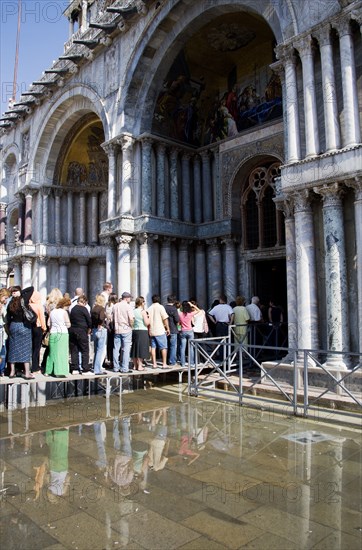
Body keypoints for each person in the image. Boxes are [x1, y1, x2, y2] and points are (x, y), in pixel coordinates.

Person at [7, 285, 36, 380]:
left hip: (13, 326)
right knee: (26, 349)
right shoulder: (23, 299)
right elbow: (31, 288)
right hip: (24, 326)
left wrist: (14, 293)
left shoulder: (10, 302)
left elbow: (8, 318)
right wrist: (20, 292)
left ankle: (12, 372)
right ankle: (27, 373)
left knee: (13, 349)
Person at [45, 297, 71, 377]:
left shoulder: (52, 312)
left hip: (53, 333)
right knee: (62, 353)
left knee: (52, 352)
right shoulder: (64, 312)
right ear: (65, 305)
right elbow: (68, 324)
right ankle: (59, 371)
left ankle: (48, 371)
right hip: (62, 333)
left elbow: (49, 323)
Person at [69, 295, 92, 374]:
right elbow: (89, 320)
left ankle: (75, 368)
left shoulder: (73, 309)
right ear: (84, 302)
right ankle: (85, 368)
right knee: (85, 350)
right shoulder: (84, 309)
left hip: (72, 330)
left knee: (74, 349)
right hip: (82, 331)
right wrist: (89, 328)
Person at [112, 292, 134, 374]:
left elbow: (111, 317)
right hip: (126, 329)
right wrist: (131, 326)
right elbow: (131, 319)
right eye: (129, 298)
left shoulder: (115, 306)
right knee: (126, 349)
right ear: (127, 298)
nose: (130, 299)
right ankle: (125, 368)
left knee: (116, 348)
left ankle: (115, 367)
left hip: (117, 329)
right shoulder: (128, 306)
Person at [147, 295, 170, 369]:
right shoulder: (160, 307)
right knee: (163, 347)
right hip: (160, 330)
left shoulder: (149, 308)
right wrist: (168, 328)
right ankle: (164, 364)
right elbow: (165, 318)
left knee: (153, 347)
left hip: (152, 330)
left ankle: (154, 364)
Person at [29, 290, 47, 374]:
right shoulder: (39, 306)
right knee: (37, 348)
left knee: (31, 347)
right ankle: (35, 367)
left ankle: (29, 365)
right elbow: (42, 318)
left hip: (29, 328)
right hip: (38, 327)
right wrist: (44, 328)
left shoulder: (28, 305)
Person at [130, 296, 150, 371]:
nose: (144, 303)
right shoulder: (143, 311)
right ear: (141, 303)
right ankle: (140, 366)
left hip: (135, 330)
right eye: (144, 301)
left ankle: (135, 365)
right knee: (141, 348)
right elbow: (146, 323)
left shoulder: (133, 311)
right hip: (142, 330)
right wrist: (149, 318)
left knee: (135, 348)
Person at [178, 301, 199, 368]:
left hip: (183, 331)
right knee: (191, 348)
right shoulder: (190, 314)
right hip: (190, 331)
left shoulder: (180, 314)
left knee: (182, 348)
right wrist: (192, 304)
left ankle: (183, 363)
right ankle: (192, 363)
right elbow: (199, 310)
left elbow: (179, 323)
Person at [91, 294, 108, 375]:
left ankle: (94, 366)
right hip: (101, 329)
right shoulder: (101, 308)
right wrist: (100, 323)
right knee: (100, 350)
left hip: (94, 329)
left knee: (96, 349)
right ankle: (97, 369)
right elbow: (101, 318)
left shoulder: (94, 308)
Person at [164, 295, 180, 366]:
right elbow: (177, 319)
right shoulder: (174, 309)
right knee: (173, 346)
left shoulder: (164, 308)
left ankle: (166, 360)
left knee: (166, 345)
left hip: (165, 329)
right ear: (173, 301)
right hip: (173, 329)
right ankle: (172, 361)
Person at [105, 292, 117, 368]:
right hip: (113, 325)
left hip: (108, 326)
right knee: (114, 344)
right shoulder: (115, 306)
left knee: (109, 344)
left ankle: (111, 361)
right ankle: (114, 362)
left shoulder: (107, 305)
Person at [0, 288, 10, 376]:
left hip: (2, 331)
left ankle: (2, 369)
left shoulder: (3, 306)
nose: (6, 300)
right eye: (5, 297)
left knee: (3, 351)